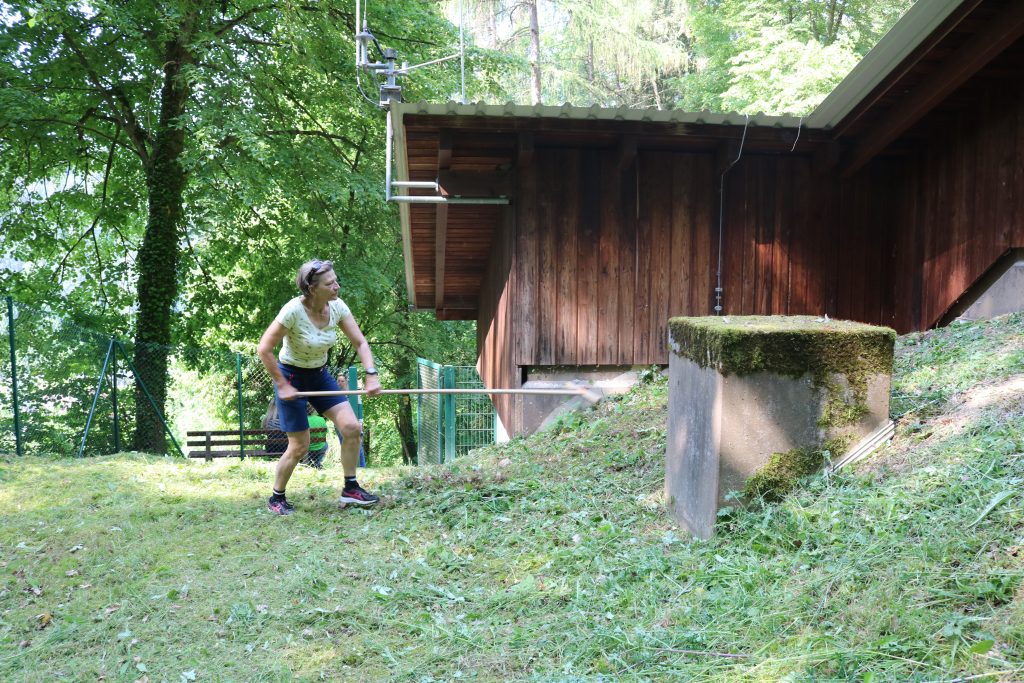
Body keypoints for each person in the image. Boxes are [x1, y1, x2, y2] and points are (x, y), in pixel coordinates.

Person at [257, 259, 382, 514]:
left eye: (336, 281)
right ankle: (277, 498)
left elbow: (360, 343)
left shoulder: (337, 307)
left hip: (319, 374)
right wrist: (282, 385)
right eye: (330, 283)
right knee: (299, 445)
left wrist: (371, 374)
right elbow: (264, 348)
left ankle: (350, 489)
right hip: (291, 376)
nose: (337, 286)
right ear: (312, 289)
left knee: (351, 428)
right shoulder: (293, 310)